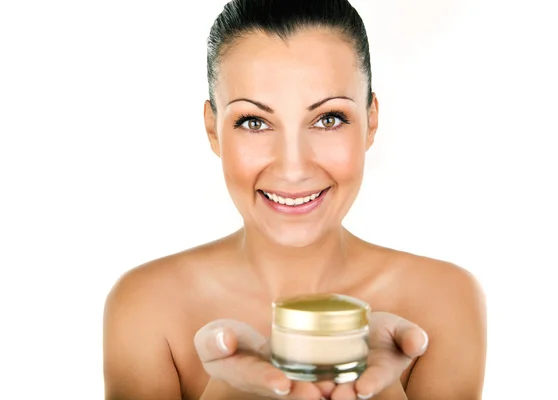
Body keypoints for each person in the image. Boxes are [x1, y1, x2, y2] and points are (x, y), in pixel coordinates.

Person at [102, 0, 487, 399]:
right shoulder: (146, 308)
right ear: (213, 130)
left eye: (328, 119)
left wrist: (380, 389)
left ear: (371, 121)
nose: (293, 167)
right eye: (254, 122)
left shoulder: (445, 302)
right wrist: (226, 392)